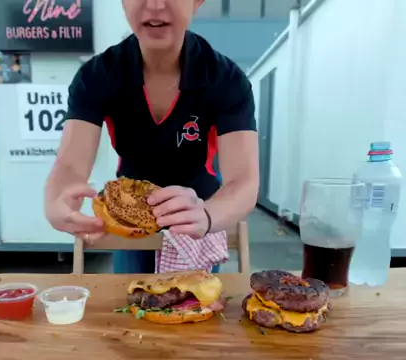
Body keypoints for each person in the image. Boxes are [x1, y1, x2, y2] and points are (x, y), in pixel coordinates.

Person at [45, 0, 259, 274]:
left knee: (194, 298)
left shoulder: (226, 79)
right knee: (127, 295)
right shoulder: (98, 75)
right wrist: (56, 201)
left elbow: (243, 180)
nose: (156, 5)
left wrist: (209, 214)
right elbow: (70, 166)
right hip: (126, 215)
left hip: (198, 213)